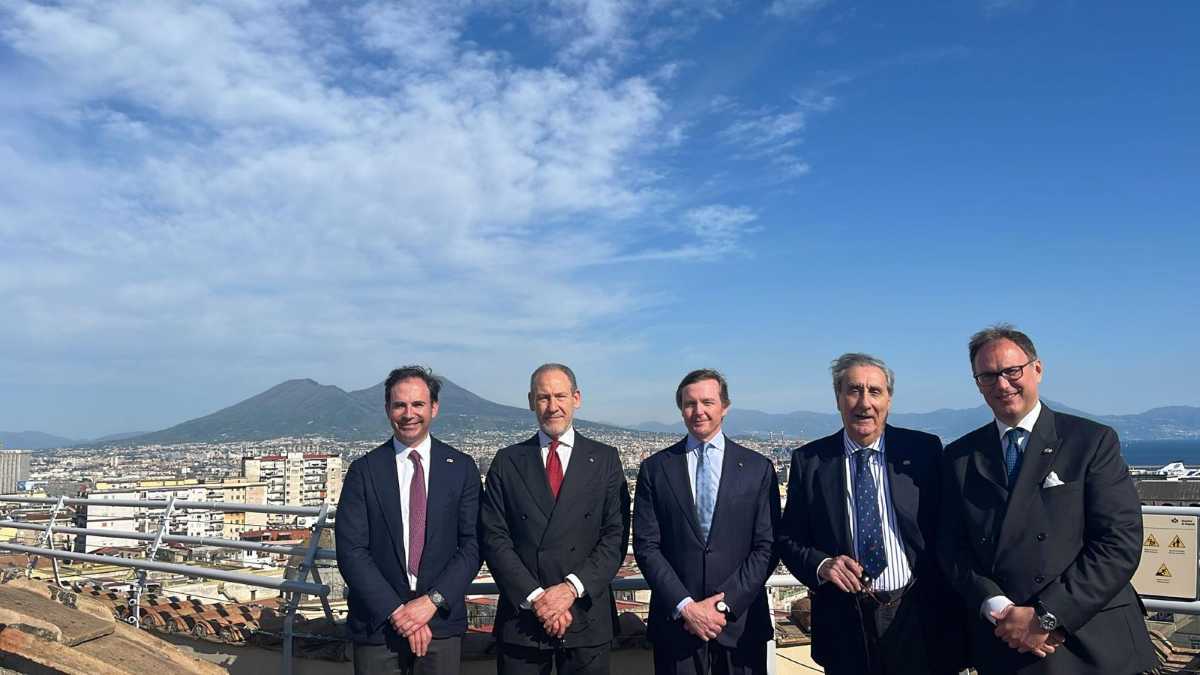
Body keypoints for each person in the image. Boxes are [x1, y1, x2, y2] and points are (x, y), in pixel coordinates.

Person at [939, 324, 1156, 674]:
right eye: (988, 376)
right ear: (977, 383)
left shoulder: (1091, 441)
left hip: (1087, 638)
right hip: (1005, 638)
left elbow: (1119, 542)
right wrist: (995, 605)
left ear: (1036, 369)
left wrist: (1046, 615)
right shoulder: (960, 456)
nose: (1002, 384)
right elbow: (952, 547)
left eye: (1012, 371)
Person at [776, 353, 965, 675]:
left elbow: (952, 529)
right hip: (844, 620)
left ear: (888, 399)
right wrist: (822, 565)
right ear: (838, 398)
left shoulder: (923, 451)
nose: (864, 403)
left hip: (916, 613)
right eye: (854, 390)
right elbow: (789, 537)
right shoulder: (811, 461)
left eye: (874, 391)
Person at [479, 363, 630, 675]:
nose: (552, 406)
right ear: (531, 401)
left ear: (577, 398)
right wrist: (538, 599)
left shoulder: (605, 459)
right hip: (523, 618)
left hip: (585, 616)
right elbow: (494, 538)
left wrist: (570, 590)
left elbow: (615, 536)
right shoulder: (507, 462)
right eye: (543, 397)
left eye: (560, 396)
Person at [336, 366, 482, 674]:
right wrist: (397, 611)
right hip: (377, 627)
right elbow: (351, 551)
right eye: (400, 405)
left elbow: (473, 545)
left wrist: (430, 602)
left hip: (440, 622)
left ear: (434, 408)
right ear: (388, 409)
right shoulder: (364, 471)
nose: (409, 413)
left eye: (418, 404)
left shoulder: (462, 468)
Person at [633, 369, 780, 675]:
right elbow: (647, 547)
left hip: (740, 625)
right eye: (690, 403)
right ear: (681, 409)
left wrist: (723, 605)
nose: (698, 411)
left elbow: (766, 547)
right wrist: (686, 606)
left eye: (707, 402)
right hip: (677, 626)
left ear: (724, 406)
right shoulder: (655, 469)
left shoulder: (757, 468)